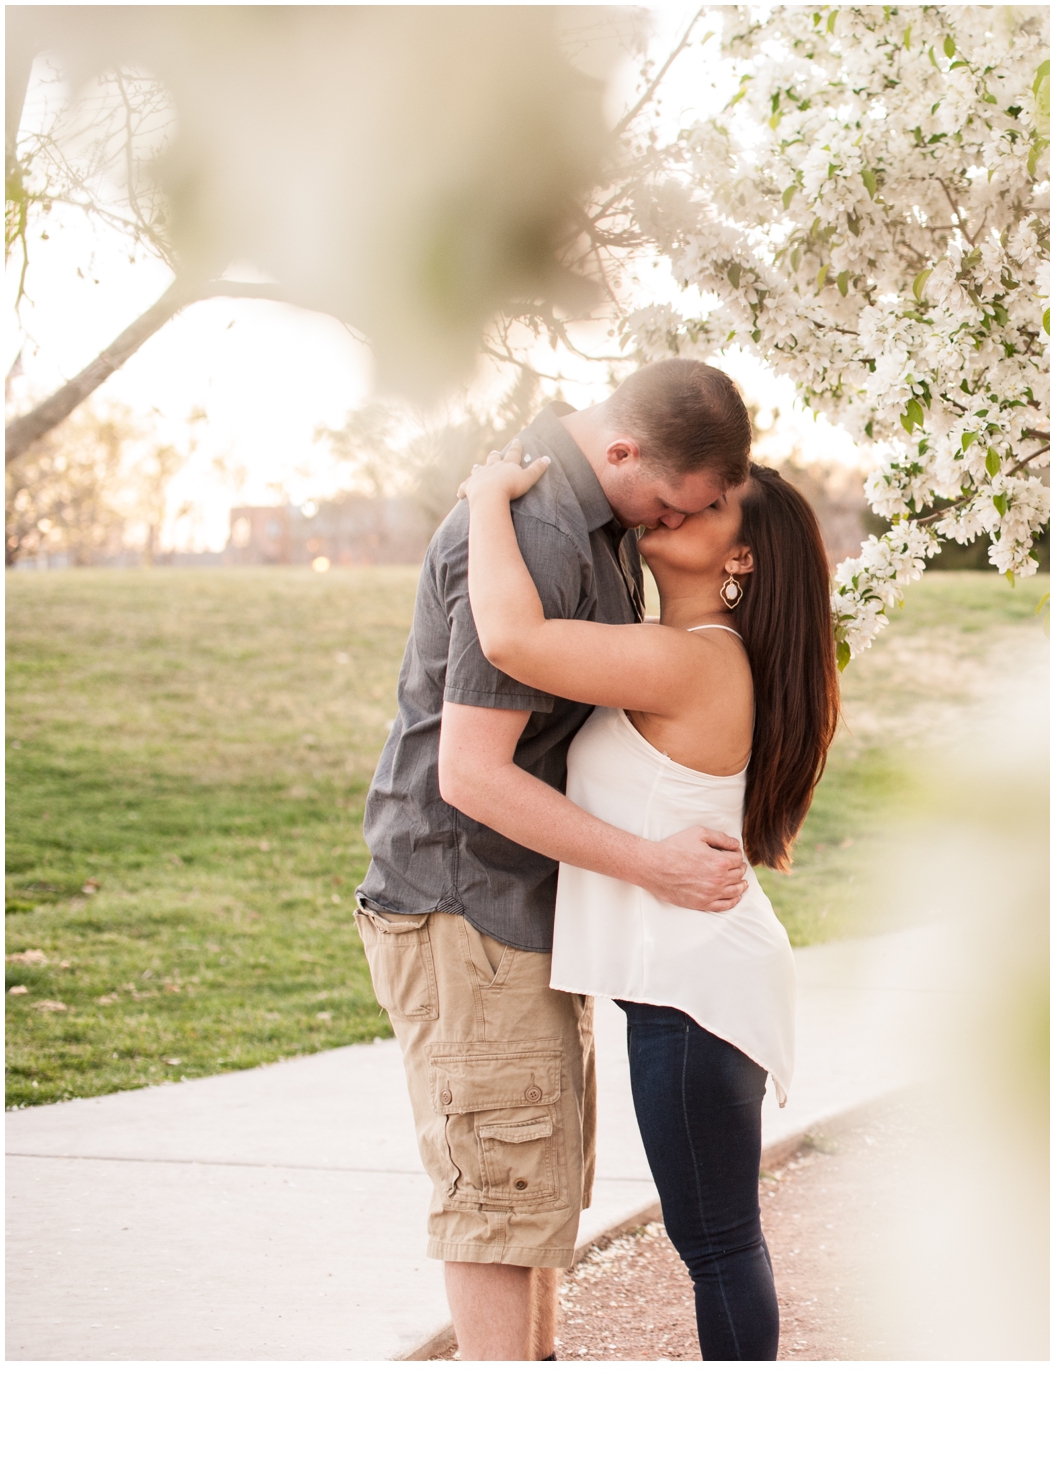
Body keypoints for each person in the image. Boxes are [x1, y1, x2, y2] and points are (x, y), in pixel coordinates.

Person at [354, 359, 756, 1362]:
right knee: (497, 1197)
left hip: (518, 905)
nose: (669, 525)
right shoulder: (537, 532)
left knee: (533, 1196)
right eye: (667, 503)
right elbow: (475, 775)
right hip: (468, 902)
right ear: (620, 451)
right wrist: (649, 863)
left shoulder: (596, 528)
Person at [456, 448, 838, 1361]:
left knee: (715, 1244)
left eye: (706, 512)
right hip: (693, 981)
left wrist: (481, 498)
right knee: (717, 1240)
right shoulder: (692, 655)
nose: (673, 513)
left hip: (696, 991)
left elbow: (510, 640)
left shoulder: (692, 662)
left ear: (740, 560)